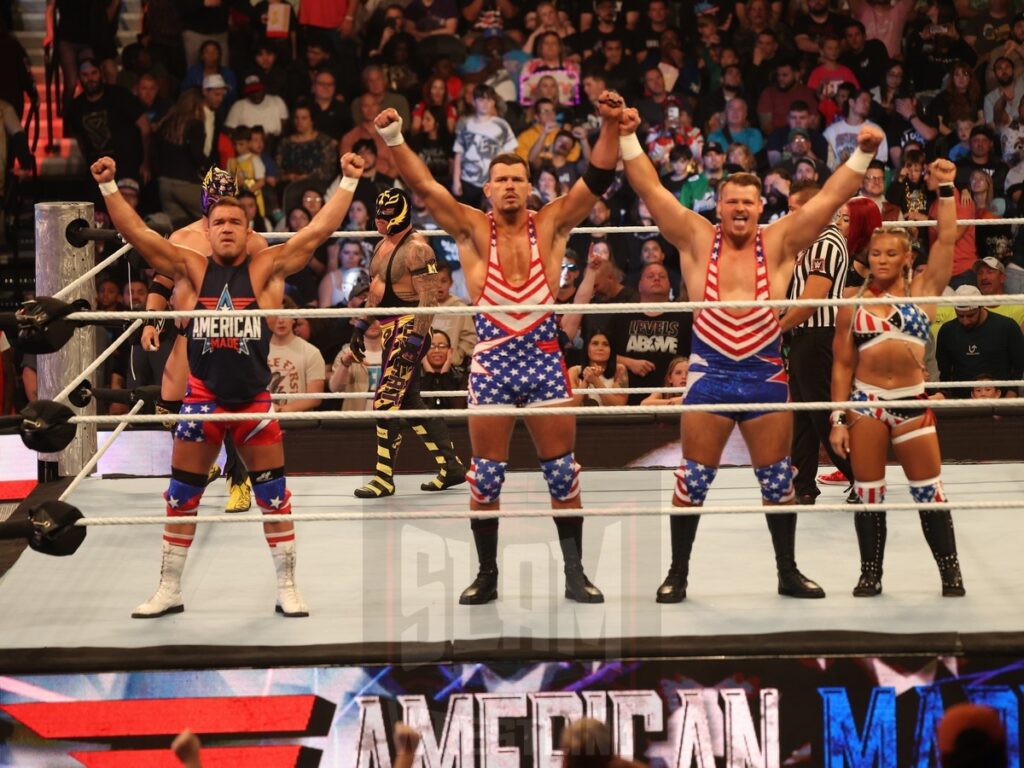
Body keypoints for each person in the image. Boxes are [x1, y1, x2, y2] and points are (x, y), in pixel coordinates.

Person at [617, 102, 885, 603]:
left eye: (748, 202)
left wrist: (863, 155)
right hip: (710, 371)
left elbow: (828, 200)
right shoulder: (696, 239)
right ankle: (678, 574)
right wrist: (629, 137)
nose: (740, 209)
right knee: (693, 477)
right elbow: (650, 189)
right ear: (718, 206)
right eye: (731, 201)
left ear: (762, 206)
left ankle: (787, 572)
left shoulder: (780, 240)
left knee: (777, 478)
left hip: (763, 370)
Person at [92, 148, 364, 619]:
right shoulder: (191, 268)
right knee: (181, 495)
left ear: (247, 229)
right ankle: (169, 587)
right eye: (219, 222)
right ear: (208, 228)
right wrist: (109, 187)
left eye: (235, 222)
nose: (226, 229)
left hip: (255, 402)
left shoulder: (266, 271)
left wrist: (348, 181)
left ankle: (287, 586)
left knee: (274, 496)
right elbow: (137, 234)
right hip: (203, 399)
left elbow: (318, 232)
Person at [375, 89, 623, 605]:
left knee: (563, 471)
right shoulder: (470, 228)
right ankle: (487, 575)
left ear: (529, 187)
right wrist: (394, 136)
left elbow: (596, 179)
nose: (510, 186)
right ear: (487, 188)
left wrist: (610, 124)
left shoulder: (550, 223)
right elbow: (422, 186)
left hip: (544, 360)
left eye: (518, 179)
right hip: (491, 361)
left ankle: (575, 575)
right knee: (485, 476)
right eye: (501, 180)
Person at [830, 159, 966, 597]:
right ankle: (870, 573)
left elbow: (947, 237)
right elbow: (842, 364)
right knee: (869, 494)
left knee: (929, 492)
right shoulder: (851, 302)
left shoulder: (924, 291)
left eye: (891, 253)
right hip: (865, 403)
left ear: (907, 257)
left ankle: (950, 573)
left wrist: (945, 187)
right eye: (876, 253)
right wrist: (836, 419)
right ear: (866, 257)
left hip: (911, 401)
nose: (883, 259)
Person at [143, 168, 271, 513]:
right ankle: (207, 465)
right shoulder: (182, 237)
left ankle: (239, 483)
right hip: (190, 333)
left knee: (228, 409)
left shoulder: (251, 240)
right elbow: (162, 281)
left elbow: (266, 285)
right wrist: (152, 321)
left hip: (232, 336)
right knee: (168, 405)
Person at [346, 187, 466, 498]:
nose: (378, 221)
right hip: (388, 329)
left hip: (408, 329)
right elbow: (376, 292)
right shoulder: (382, 246)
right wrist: (361, 325)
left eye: (385, 216)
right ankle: (451, 467)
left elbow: (428, 300)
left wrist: (414, 341)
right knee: (409, 404)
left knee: (385, 401)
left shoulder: (418, 250)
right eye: (377, 215)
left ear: (399, 216)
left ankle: (384, 478)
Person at [781, 183, 858, 505]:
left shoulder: (826, 242)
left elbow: (812, 300)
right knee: (802, 416)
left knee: (825, 414)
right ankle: (804, 485)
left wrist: (776, 327)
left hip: (818, 337)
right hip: (802, 339)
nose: (790, 215)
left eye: (797, 207)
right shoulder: (807, 244)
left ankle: (862, 478)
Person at [567, 330, 629, 406]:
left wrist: (596, 381)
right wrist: (586, 381)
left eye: (605, 344)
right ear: (587, 348)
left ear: (611, 349)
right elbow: (571, 406)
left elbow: (618, 405)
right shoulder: (574, 371)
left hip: (610, 417)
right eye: (595, 343)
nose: (600, 348)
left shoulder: (619, 370)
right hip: (582, 417)